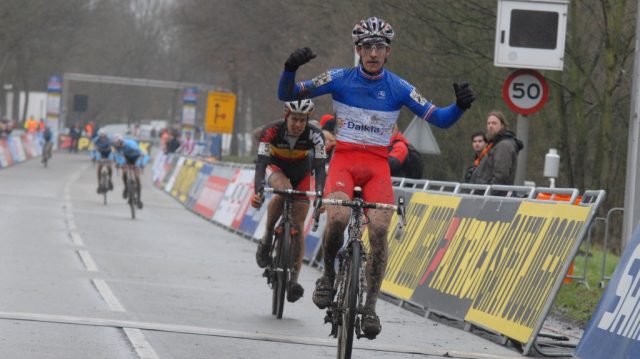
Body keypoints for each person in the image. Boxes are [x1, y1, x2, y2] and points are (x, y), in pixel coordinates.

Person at [277, 17, 475, 338]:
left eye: (379, 47)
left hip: (377, 166)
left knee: (380, 230)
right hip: (344, 161)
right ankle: (328, 276)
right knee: (339, 217)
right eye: (367, 47)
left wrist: (460, 107)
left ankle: (369, 306)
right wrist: (289, 68)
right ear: (358, 50)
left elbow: (440, 118)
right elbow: (287, 93)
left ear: (388, 52)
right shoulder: (340, 78)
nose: (372, 53)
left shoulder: (398, 87)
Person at [252, 99, 327, 303]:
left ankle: (293, 280)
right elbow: (261, 164)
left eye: (303, 120)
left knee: (299, 223)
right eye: (295, 119)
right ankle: (268, 237)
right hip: (276, 169)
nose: (298, 124)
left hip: (302, 172)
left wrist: (320, 195)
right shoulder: (271, 131)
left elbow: (320, 167)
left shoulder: (315, 135)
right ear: (287, 116)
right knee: (283, 187)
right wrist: (257, 191)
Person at [469, 111, 523, 185]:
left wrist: (488, 193)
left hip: (491, 194)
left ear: (502, 125)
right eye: (488, 123)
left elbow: (500, 176)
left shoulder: (504, 145)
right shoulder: (494, 144)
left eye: (494, 123)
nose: (490, 126)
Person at [113, 135, 144, 209]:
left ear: (122, 142)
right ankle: (126, 188)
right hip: (127, 158)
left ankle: (139, 199)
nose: (118, 145)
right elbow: (118, 156)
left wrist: (139, 165)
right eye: (117, 144)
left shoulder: (130, 145)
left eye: (120, 143)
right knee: (124, 171)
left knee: (137, 177)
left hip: (137, 157)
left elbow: (141, 155)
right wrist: (118, 163)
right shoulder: (117, 147)